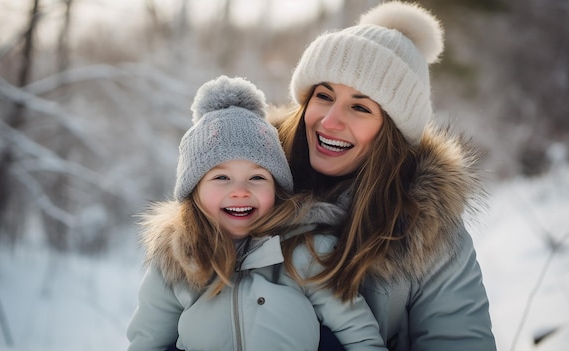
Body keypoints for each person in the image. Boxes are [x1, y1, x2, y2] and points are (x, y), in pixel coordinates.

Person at [269, 2, 497, 351]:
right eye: (324, 95)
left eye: (360, 107)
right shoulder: (245, 184)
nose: (329, 121)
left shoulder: (428, 233)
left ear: (392, 131)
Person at [126, 75, 387, 351]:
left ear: (277, 188)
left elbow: (360, 336)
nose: (240, 191)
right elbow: (147, 341)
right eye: (221, 178)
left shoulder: (306, 253)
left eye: (257, 178)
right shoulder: (178, 263)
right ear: (195, 191)